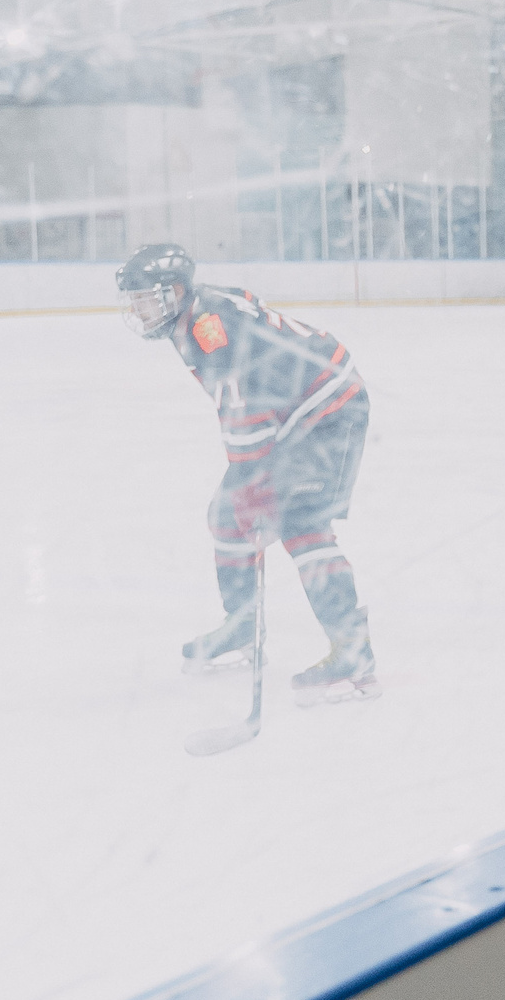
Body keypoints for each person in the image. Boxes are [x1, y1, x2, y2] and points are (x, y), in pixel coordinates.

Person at [118, 243, 379, 704]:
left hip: (329, 411)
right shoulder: (194, 317)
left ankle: (353, 653)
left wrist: (255, 485)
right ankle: (242, 628)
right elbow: (249, 401)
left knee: (303, 523)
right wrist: (249, 487)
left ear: (176, 292)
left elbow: (246, 409)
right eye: (134, 300)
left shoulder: (210, 329)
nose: (139, 310)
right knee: (226, 516)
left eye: (146, 298)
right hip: (295, 414)